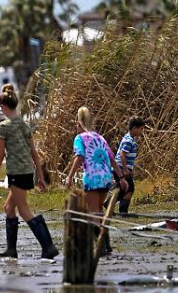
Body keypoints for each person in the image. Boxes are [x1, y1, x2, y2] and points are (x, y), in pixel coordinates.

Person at [0, 84, 58, 260]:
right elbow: (34, 153)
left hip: (16, 173)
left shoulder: (4, 127)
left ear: (4, 107)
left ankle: (48, 246)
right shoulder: (25, 125)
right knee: (8, 208)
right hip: (27, 172)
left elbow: (0, 155)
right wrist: (40, 177)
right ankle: (11, 250)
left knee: (24, 210)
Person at [65, 106, 128, 254]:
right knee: (99, 211)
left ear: (78, 124)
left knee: (92, 212)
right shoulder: (100, 137)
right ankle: (106, 244)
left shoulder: (79, 138)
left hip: (92, 178)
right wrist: (121, 178)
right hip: (106, 177)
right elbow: (112, 158)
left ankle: (101, 246)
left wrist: (69, 176)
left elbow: (79, 156)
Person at [113, 116, 145, 214]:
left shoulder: (130, 139)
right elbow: (122, 155)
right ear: (134, 128)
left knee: (124, 188)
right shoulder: (128, 140)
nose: (141, 131)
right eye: (141, 129)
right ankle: (121, 210)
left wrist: (130, 168)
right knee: (129, 188)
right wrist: (126, 170)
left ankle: (114, 205)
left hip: (122, 168)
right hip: (120, 168)